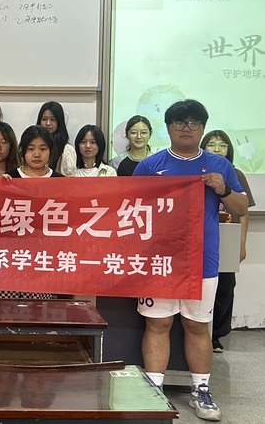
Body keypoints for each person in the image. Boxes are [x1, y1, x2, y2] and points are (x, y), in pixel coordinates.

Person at [134, 99, 248, 421]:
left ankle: (201, 390)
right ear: (169, 127)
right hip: (159, 260)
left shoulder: (219, 165)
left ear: (202, 127)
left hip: (202, 260)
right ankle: (154, 390)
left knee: (197, 326)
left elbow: (241, 208)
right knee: (158, 323)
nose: (187, 128)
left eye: (194, 123)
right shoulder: (150, 166)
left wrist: (223, 189)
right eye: (179, 123)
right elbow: (129, 208)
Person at [200, 130, 255, 353]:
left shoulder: (235, 173)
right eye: (212, 145)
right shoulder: (200, 172)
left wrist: (241, 244)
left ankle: (216, 335)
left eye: (222, 145)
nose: (217, 149)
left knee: (225, 286)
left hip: (228, 238)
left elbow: (244, 212)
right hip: (205, 237)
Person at [0, 125, 63, 299]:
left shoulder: (60, 182)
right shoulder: (10, 178)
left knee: (40, 309)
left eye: (43, 149)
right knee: (7, 309)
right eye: (31, 149)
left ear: (50, 151)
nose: (37, 154)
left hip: (44, 258)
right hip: (12, 257)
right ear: (22, 151)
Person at [36, 101, 76, 176]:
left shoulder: (67, 150)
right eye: (44, 119)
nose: (48, 123)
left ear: (59, 122)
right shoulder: (31, 146)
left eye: (52, 119)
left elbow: (70, 178)